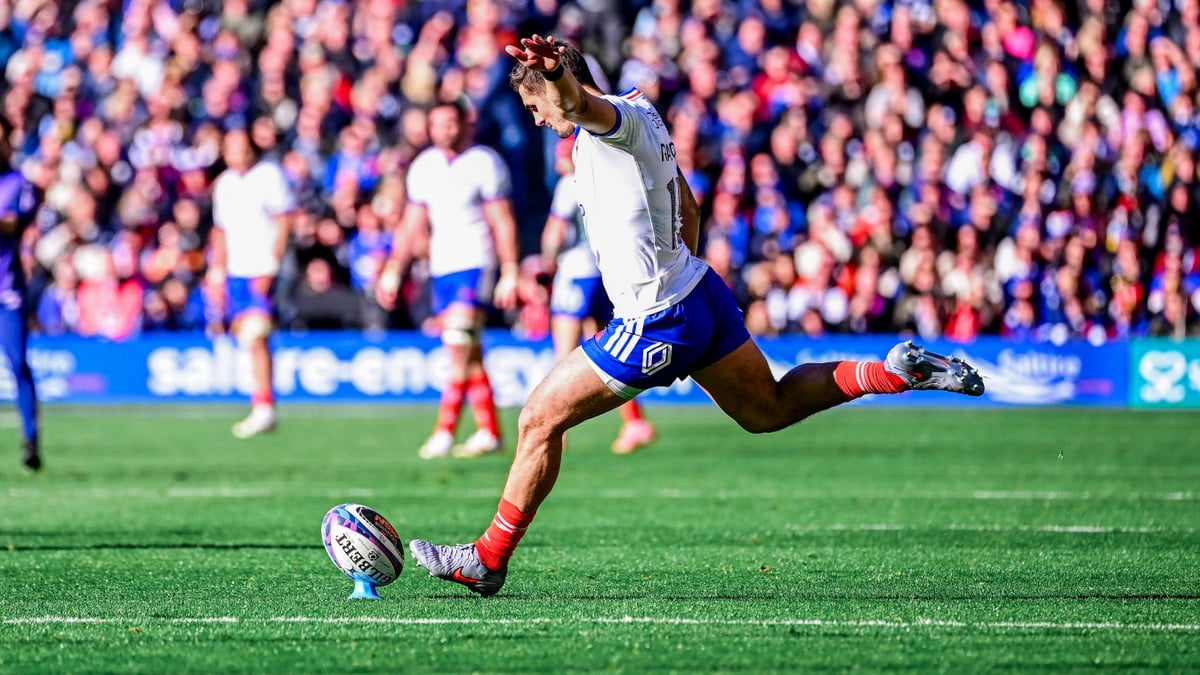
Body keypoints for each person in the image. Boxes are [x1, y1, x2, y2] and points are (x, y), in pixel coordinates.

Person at [407, 36, 986, 598]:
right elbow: (688, 203)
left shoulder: (608, 121)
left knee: (538, 418)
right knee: (767, 408)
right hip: (696, 291)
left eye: (535, 106)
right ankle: (893, 372)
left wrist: (555, 76)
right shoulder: (643, 111)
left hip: (656, 316)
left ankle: (487, 559)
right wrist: (678, 277)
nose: (536, 119)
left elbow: (576, 103)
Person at [376, 100, 521, 459]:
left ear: (465, 124)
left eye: (449, 123)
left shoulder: (484, 162)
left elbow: (501, 219)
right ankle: (490, 432)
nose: (443, 130)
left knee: (458, 340)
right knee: (467, 350)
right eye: (436, 124)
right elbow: (412, 222)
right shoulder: (424, 166)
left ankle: (444, 430)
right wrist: (394, 268)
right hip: (442, 267)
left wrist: (510, 269)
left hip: (476, 262)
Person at [542, 135, 655, 454]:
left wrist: (547, 260)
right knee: (610, 353)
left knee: (564, 355)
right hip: (603, 272)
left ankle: (556, 427)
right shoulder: (604, 180)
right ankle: (635, 422)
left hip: (575, 271)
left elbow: (555, 233)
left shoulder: (569, 184)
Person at [205, 127, 295, 439]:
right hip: (237, 271)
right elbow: (221, 231)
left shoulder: (269, 175)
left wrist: (272, 264)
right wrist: (217, 271)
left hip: (262, 267)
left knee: (257, 334)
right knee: (247, 338)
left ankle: (264, 407)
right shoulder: (225, 185)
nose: (237, 153)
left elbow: (284, 220)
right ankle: (262, 402)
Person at [0, 119, 41, 471]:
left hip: (6, 291)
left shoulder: (19, 183)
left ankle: (30, 437)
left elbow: (14, 223)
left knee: (17, 362)